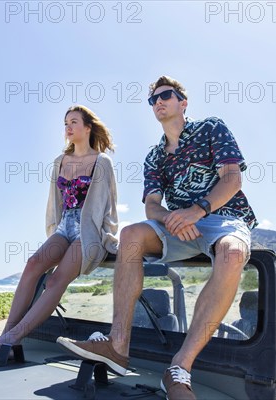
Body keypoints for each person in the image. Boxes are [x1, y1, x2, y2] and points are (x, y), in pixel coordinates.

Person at [57, 76, 257, 399]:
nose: (159, 102)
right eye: (154, 99)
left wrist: (197, 210)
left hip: (222, 218)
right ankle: (118, 346)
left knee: (233, 254)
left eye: (166, 95)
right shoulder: (154, 157)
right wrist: (172, 218)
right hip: (179, 225)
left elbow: (232, 179)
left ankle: (179, 367)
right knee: (132, 234)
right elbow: (152, 206)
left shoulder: (211, 129)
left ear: (183, 102)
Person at [0, 105, 118, 363]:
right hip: (64, 227)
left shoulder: (102, 162)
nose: (68, 127)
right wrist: (54, 235)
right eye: (65, 123)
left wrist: (107, 237)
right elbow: (54, 205)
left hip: (88, 231)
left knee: (56, 280)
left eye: (73, 122)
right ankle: (4, 338)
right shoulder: (59, 161)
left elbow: (110, 207)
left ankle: (10, 339)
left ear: (88, 127)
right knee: (32, 265)